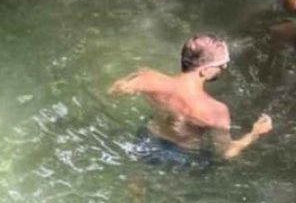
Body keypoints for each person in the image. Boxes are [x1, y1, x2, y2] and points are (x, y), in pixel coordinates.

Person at [108, 34, 272, 167]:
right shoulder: (215, 110)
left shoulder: (149, 79)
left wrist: (137, 76)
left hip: (146, 140)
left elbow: (115, 90)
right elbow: (226, 152)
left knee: (138, 178)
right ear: (206, 70)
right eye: (222, 65)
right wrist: (254, 133)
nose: (224, 69)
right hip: (181, 157)